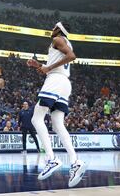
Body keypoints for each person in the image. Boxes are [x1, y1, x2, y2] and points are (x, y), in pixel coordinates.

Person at [27, 22, 86, 188]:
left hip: (55, 80)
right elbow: (51, 68)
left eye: (54, 26)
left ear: (59, 29)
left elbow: (71, 57)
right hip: (64, 83)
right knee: (58, 125)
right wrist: (38, 65)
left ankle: (51, 159)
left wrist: (50, 67)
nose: (51, 29)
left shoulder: (58, 39)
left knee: (36, 119)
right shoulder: (64, 41)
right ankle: (75, 162)